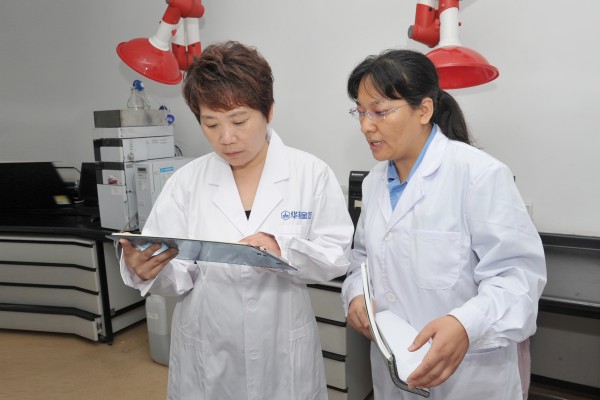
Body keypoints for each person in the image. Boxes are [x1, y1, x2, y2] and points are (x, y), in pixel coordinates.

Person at [119, 41, 354, 400]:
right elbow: (177, 273)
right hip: (208, 348)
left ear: (269, 111)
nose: (226, 138)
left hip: (281, 350)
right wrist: (147, 269)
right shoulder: (186, 182)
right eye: (211, 124)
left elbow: (336, 256)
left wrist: (283, 250)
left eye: (239, 121)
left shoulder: (311, 174)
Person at [341, 48, 547, 400]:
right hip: (395, 370)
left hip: (469, 379)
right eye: (360, 111)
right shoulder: (375, 182)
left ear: (424, 110)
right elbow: (361, 258)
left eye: (380, 111)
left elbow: (518, 281)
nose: (365, 126)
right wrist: (357, 295)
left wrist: (466, 325)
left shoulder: (479, 175)